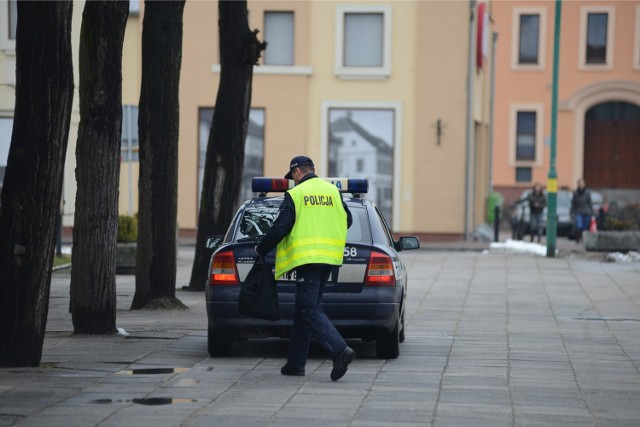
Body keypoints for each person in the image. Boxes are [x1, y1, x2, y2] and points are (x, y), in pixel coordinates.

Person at [255, 155, 355, 381]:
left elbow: (280, 227)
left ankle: (340, 351)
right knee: (305, 309)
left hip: (308, 259)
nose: (293, 180)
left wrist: (261, 248)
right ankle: (295, 363)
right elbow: (347, 220)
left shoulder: (297, 194)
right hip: (329, 257)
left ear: (298, 171)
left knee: (308, 309)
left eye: (293, 176)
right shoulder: (332, 191)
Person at [570, 178, 593, 243]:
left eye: (582, 183)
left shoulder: (588, 192)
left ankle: (583, 239)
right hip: (578, 212)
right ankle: (578, 237)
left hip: (587, 212)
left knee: (585, 228)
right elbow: (573, 203)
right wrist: (572, 212)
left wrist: (592, 213)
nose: (581, 185)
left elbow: (590, 203)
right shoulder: (575, 193)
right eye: (580, 184)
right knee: (579, 226)